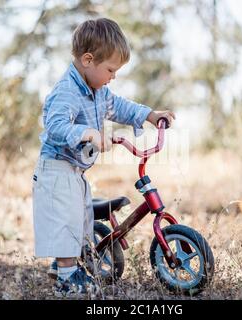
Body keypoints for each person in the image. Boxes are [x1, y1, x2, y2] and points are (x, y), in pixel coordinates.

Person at [32, 17, 175, 297]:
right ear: (88, 60)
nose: (113, 76)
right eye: (110, 69)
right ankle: (66, 279)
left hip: (74, 171)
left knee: (82, 221)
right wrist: (88, 132)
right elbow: (56, 126)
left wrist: (149, 114)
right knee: (67, 221)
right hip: (56, 170)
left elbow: (120, 106)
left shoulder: (98, 91)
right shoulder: (66, 92)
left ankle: (66, 265)